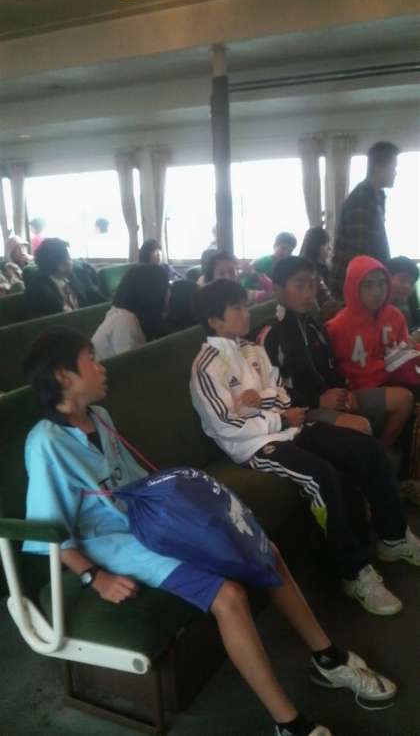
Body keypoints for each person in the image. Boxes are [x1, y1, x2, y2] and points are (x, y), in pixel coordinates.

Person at [22, 326, 397, 736]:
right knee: (228, 596)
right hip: (115, 543)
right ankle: (288, 724)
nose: (101, 367)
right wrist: (95, 577)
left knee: (263, 550)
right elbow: (47, 531)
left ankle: (328, 658)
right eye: (91, 360)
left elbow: (140, 481)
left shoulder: (101, 418)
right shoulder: (45, 444)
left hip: (150, 521)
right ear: (63, 376)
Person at [191, 279, 420, 616]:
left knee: (364, 447)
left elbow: (281, 394)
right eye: (236, 309)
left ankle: (394, 538)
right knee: (321, 475)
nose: (246, 313)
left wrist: (261, 402)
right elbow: (227, 425)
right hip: (254, 446)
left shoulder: (253, 350)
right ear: (214, 320)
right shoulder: (206, 366)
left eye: (244, 305)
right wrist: (277, 417)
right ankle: (354, 572)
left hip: (289, 427)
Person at [260, 256, 414, 450]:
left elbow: (332, 366)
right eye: (299, 286)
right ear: (278, 290)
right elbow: (270, 389)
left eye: (312, 285)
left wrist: (344, 391)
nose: (308, 293)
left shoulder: (314, 327)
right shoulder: (272, 335)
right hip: (300, 408)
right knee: (360, 425)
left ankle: (383, 453)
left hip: (331, 397)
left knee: (404, 398)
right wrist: (318, 400)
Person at [326, 256, 415, 393]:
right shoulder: (337, 327)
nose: (377, 292)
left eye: (382, 283)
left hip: (394, 379)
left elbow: (405, 356)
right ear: (354, 288)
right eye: (368, 285)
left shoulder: (396, 316)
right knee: (403, 397)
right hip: (358, 390)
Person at [330, 142, 400, 299]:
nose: (395, 173)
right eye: (393, 168)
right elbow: (359, 253)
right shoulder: (362, 197)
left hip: (368, 280)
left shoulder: (378, 196)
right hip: (356, 284)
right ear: (378, 168)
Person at [92, 264, 169, 359]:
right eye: (167, 288)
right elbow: (132, 364)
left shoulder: (133, 315)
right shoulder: (125, 321)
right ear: (153, 294)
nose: (169, 293)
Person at [24, 238, 103, 318]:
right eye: (69, 258)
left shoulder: (78, 274)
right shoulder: (36, 288)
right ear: (61, 266)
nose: (72, 261)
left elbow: (95, 296)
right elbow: (40, 321)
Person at [204, 250, 272, 304]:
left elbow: (271, 293)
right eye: (221, 273)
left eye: (232, 272)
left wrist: (253, 274)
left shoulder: (242, 294)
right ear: (212, 279)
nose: (228, 277)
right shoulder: (208, 301)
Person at [386, 256, 420, 341]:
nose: (408, 286)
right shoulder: (376, 308)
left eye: (412, 283)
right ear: (387, 278)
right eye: (403, 280)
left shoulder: (409, 303)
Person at [300, 227, 332, 307]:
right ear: (317, 246)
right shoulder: (308, 269)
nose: (329, 248)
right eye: (326, 245)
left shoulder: (324, 266)